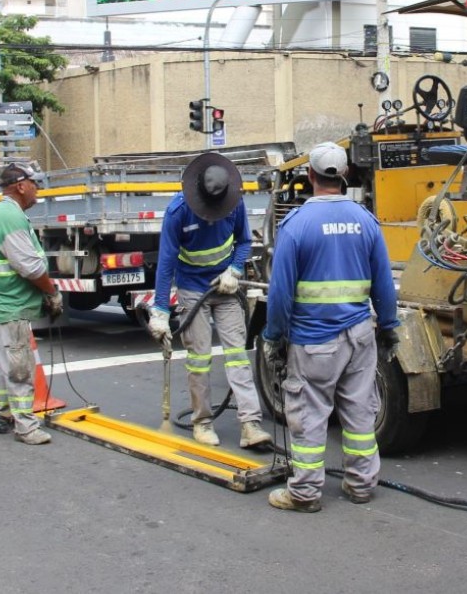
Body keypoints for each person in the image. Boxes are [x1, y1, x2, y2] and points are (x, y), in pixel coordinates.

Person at [261, 142, 400, 513]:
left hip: (313, 342)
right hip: (359, 338)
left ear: (310, 176)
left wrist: (273, 337)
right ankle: (361, 484)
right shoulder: (365, 221)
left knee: (308, 414)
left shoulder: (295, 226)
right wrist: (389, 327)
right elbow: (384, 284)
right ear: (345, 175)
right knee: (359, 412)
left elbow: (279, 294)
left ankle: (305, 493)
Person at [147, 153, 272, 449]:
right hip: (192, 289)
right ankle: (202, 422)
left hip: (225, 288)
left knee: (238, 357)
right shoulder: (178, 212)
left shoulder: (233, 203)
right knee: (200, 360)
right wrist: (160, 311)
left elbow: (243, 242)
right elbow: (165, 264)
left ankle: (250, 424)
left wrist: (235, 269)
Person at [0, 163, 63, 445]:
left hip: (0, 304)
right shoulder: (10, 217)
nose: (38, 190)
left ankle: (6, 415)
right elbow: (30, 268)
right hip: (8, 306)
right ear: (21, 185)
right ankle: (26, 427)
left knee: (5, 364)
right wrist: (52, 293)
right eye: (35, 184)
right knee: (19, 367)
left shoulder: (7, 214)